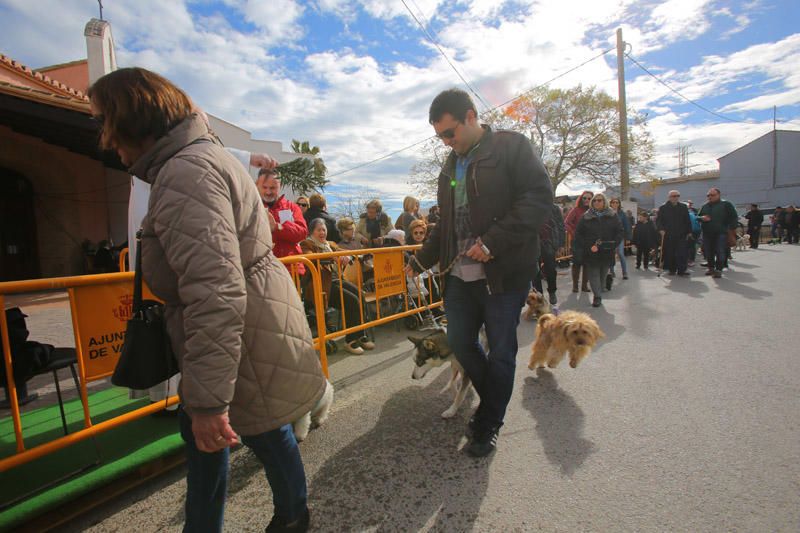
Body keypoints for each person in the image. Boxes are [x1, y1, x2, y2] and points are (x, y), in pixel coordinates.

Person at [89, 67, 324, 532]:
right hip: (249, 323)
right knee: (256, 429)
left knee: (237, 430)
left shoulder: (186, 172)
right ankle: (292, 516)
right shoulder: (199, 157)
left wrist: (210, 401)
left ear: (132, 119)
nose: (103, 136)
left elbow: (214, 290)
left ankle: (289, 517)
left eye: (104, 120)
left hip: (236, 330)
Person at [406, 88, 553, 457]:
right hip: (459, 275)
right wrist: (421, 260)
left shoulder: (511, 147)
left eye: (449, 133)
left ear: (471, 117)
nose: (446, 142)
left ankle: (487, 424)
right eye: (439, 136)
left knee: (502, 352)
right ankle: (493, 403)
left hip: (504, 274)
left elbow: (538, 199)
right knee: (458, 340)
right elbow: (444, 225)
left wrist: (492, 242)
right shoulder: (448, 166)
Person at [300, 218, 374, 355]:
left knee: (360, 295)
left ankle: (360, 335)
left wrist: (351, 255)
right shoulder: (306, 244)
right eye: (318, 230)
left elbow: (342, 251)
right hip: (321, 286)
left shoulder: (330, 244)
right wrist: (333, 257)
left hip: (335, 280)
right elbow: (310, 258)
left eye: (324, 230)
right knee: (351, 301)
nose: (322, 232)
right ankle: (350, 341)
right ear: (312, 232)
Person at [255, 168, 308, 276]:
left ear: (280, 186)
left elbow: (302, 232)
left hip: (291, 271)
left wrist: (278, 227)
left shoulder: (292, 207)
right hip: (262, 272)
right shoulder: (251, 207)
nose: (268, 192)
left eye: (273, 188)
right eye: (264, 187)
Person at [574, 193, 623, 307]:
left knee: (603, 274)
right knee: (593, 274)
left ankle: (600, 289)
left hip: (607, 250)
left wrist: (614, 244)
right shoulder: (586, 216)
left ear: (604, 201)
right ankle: (597, 296)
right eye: (594, 200)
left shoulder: (612, 215)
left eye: (599, 200)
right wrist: (588, 246)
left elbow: (620, 231)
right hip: (592, 250)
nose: (596, 202)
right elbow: (579, 234)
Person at [697, 187, 738, 279]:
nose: (710, 197)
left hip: (721, 232)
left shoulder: (726, 204)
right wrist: (701, 218)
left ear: (718, 195)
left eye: (712, 195)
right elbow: (698, 217)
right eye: (708, 195)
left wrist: (731, 228)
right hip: (707, 233)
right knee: (708, 251)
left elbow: (734, 217)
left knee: (720, 250)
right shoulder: (705, 206)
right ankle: (711, 268)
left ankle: (719, 269)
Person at [533, 203, 565, 305]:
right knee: (535, 272)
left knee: (551, 270)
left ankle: (552, 291)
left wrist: (561, 244)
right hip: (532, 244)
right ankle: (539, 298)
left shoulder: (553, 207)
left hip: (549, 242)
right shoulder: (528, 205)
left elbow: (561, 225)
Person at [656, 190, 692, 276]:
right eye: (673, 196)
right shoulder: (663, 207)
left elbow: (687, 220)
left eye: (677, 196)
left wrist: (689, 231)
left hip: (681, 234)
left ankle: (682, 270)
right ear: (669, 197)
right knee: (670, 253)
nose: (675, 198)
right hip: (668, 234)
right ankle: (672, 269)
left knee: (682, 252)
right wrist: (661, 229)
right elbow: (659, 220)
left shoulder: (683, 207)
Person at [564, 191, 594, 293]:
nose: (586, 200)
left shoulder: (594, 211)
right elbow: (567, 222)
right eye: (584, 198)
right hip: (577, 241)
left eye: (589, 198)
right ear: (581, 199)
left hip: (590, 242)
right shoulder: (576, 210)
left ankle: (584, 286)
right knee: (576, 263)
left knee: (587, 264)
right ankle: (575, 286)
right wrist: (574, 233)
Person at [608, 198, 630, 280]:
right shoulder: (607, 213)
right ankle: (611, 272)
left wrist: (628, 237)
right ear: (610, 204)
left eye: (616, 202)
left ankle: (624, 272)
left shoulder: (622, 214)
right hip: (610, 237)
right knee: (611, 254)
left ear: (619, 204)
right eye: (613, 202)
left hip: (619, 237)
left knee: (620, 254)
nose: (615, 204)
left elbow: (627, 225)